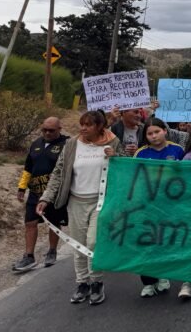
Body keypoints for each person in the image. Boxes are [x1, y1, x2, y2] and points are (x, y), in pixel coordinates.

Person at [36, 110, 123, 306]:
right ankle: (82, 283)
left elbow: (125, 168)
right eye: (81, 124)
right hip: (76, 202)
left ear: (99, 126)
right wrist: (46, 198)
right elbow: (59, 172)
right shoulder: (72, 144)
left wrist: (116, 157)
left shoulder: (113, 142)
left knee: (92, 242)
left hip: (101, 202)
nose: (83, 128)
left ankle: (96, 282)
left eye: (88, 125)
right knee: (78, 244)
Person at [134, 119, 184, 298]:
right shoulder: (141, 153)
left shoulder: (177, 150)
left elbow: (188, 174)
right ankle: (148, 282)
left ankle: (163, 276)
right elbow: (134, 177)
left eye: (157, 132)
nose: (154, 136)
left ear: (165, 131)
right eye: (149, 133)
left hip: (172, 205)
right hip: (148, 205)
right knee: (147, 242)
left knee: (166, 241)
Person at [13, 117, 69, 273]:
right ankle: (29, 256)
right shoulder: (36, 144)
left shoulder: (66, 144)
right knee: (30, 223)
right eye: (44, 130)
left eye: (51, 130)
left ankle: (52, 251)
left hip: (54, 193)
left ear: (59, 129)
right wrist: (22, 187)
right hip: (35, 192)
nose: (47, 133)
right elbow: (28, 168)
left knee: (54, 223)